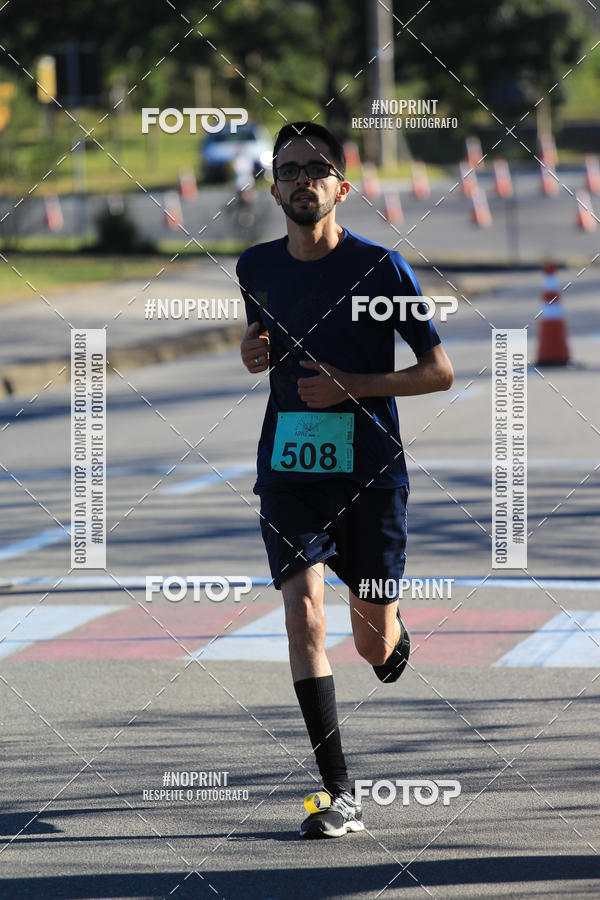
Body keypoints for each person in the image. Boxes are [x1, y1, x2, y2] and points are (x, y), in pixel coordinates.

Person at [236, 121, 454, 839]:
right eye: (289, 168)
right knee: (304, 616)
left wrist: (353, 387)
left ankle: (391, 634)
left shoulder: (381, 268)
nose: (302, 179)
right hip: (289, 468)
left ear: (341, 186)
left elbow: (437, 370)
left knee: (369, 644)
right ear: (274, 186)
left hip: (372, 471)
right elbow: (263, 337)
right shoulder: (254, 267)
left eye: (316, 168)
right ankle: (338, 794)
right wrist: (254, 350)